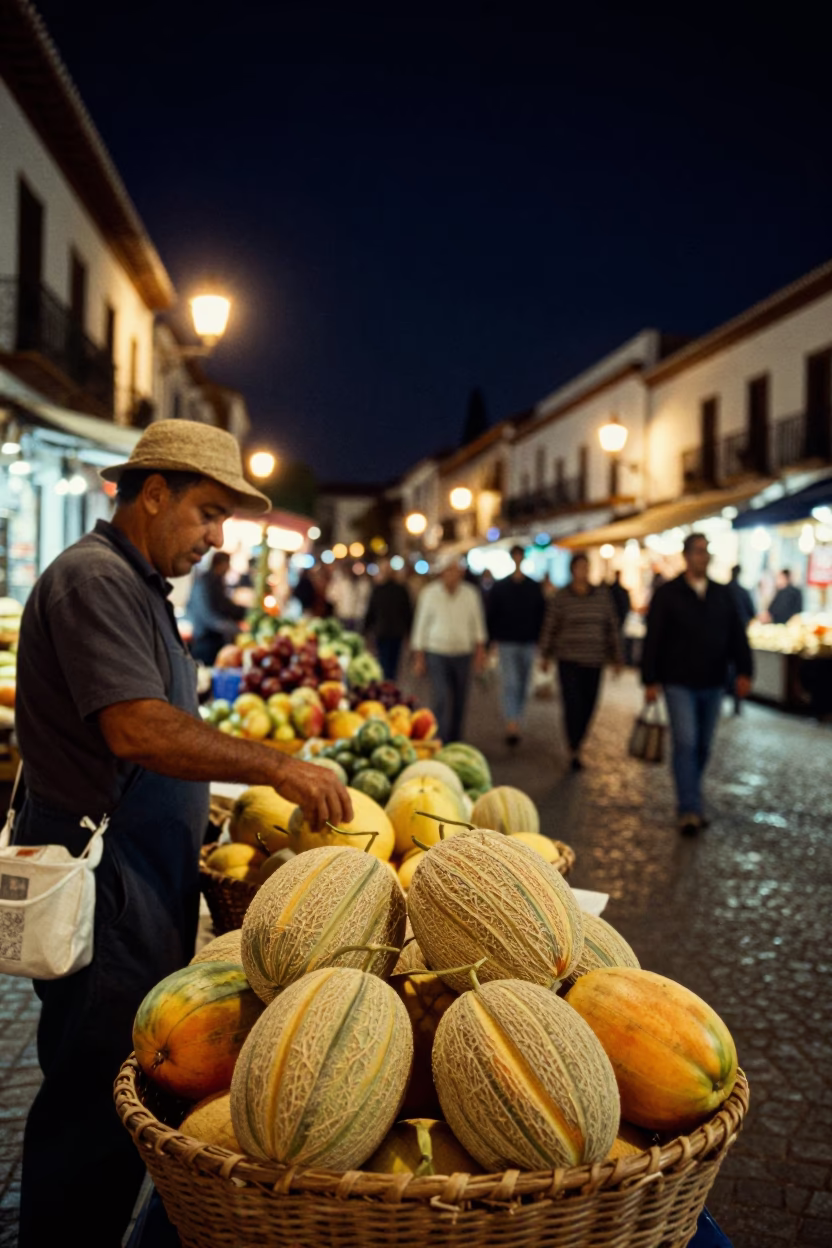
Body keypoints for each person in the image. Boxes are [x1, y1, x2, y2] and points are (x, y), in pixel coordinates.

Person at [11, 420, 352, 1248]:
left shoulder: (134, 584)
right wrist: (276, 767)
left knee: (118, 1096)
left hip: (140, 880)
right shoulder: (95, 580)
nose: (214, 537)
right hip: (108, 884)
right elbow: (137, 729)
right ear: (153, 491)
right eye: (207, 513)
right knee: (93, 1105)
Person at [642, 533, 753, 836]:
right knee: (687, 742)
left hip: (713, 681)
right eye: (698, 551)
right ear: (687, 555)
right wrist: (649, 678)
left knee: (703, 745)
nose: (703, 556)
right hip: (678, 681)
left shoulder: (722, 593)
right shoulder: (668, 593)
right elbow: (654, 637)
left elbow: (737, 635)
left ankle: (691, 794)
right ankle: (689, 807)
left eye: (706, 551)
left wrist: (745, 670)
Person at [539, 553, 622, 770]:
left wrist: (617, 656)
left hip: (594, 660)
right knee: (572, 704)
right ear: (572, 570)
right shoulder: (562, 597)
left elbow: (611, 626)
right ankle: (573, 747)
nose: (583, 571)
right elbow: (550, 625)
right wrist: (545, 654)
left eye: (586, 567)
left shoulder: (601, 596)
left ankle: (579, 740)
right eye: (579, 567)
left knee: (589, 704)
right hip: (569, 660)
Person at [410, 556, 487, 742]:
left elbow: (478, 624)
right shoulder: (429, 593)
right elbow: (420, 626)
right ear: (442, 573)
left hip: (463, 652)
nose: (453, 575)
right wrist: (419, 657)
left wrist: (480, 652)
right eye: (449, 571)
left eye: (456, 571)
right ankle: (439, 737)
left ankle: (455, 737)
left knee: (460, 698)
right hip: (437, 652)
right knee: (440, 696)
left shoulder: (470, 594)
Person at [486, 544, 546, 746]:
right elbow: (492, 615)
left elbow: (542, 615)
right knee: (511, 682)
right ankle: (512, 721)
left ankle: (517, 716)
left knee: (523, 682)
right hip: (507, 642)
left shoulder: (533, 586)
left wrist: (541, 642)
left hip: (528, 641)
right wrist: (491, 641)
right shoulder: (501, 587)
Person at [186, 549, 248, 664]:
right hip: (205, 639)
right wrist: (232, 628)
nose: (228, 568)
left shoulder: (216, 581)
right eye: (228, 564)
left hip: (215, 638)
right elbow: (208, 615)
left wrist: (244, 612)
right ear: (221, 564)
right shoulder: (204, 582)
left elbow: (226, 606)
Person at [363, 558, 413, 680]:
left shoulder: (397, 590)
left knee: (388, 659)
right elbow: (371, 611)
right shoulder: (382, 590)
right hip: (386, 631)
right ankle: (388, 682)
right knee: (388, 660)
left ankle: (387, 682)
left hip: (390, 630)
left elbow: (407, 612)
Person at [727, 566, 755, 714]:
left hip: (725, 638)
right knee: (735, 671)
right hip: (736, 636)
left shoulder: (724, 591)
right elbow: (752, 611)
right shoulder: (742, 592)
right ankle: (737, 703)